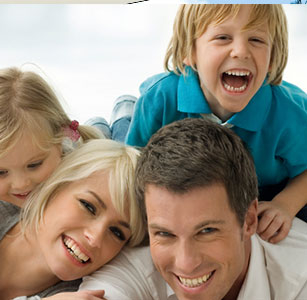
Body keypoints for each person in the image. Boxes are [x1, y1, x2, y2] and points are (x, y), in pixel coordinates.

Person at [125, 4, 307, 243]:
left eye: (256, 40)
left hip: (265, 189)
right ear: (190, 52)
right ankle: (123, 111)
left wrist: (284, 204)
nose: (240, 51)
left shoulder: (289, 113)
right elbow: (132, 166)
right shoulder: (159, 98)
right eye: (223, 37)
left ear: (273, 57)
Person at [80, 118, 307, 300]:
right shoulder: (134, 266)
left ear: (248, 220)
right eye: (165, 234)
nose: (186, 264)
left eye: (207, 231)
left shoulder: (300, 277)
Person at [0, 138, 146, 300]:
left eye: (117, 233)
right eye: (88, 206)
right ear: (56, 186)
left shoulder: (81, 294)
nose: (95, 238)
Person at [0, 66, 103, 208]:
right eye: (1, 172)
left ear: (60, 139)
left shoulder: (84, 173)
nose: (21, 183)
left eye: (34, 165)